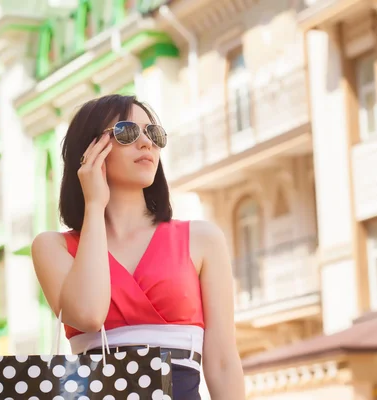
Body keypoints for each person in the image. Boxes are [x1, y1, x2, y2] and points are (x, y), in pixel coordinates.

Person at [31, 94, 245, 399]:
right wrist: (94, 205)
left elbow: (223, 363)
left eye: (153, 133)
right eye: (127, 132)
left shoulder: (202, 240)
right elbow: (89, 315)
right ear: (90, 150)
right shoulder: (53, 247)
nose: (146, 143)